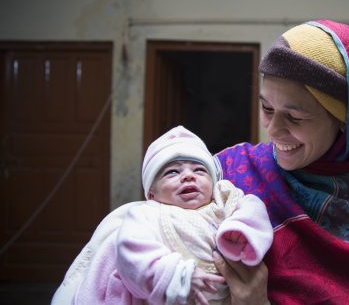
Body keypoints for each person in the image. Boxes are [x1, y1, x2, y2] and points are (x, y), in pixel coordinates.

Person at [213, 20, 349, 304]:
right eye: (267, 108)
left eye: (294, 117)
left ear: (345, 124)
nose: (273, 130)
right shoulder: (229, 173)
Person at [52, 126, 273, 305]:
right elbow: (131, 251)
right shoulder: (145, 214)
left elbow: (253, 207)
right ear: (151, 193)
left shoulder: (222, 201)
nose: (188, 176)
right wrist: (175, 276)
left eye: (199, 170)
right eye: (173, 172)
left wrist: (241, 231)